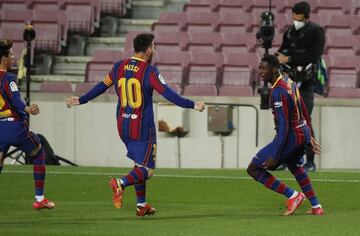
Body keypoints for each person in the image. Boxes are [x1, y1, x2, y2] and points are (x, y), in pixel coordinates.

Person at [66, 33, 205, 217]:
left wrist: (80, 100)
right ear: (148, 49)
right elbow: (169, 95)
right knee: (147, 170)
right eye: (153, 47)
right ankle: (120, 183)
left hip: (123, 125)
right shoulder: (149, 71)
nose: (154, 50)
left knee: (139, 165)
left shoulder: (118, 67)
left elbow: (101, 86)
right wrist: (193, 105)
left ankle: (141, 205)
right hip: (142, 128)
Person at [247, 55, 324, 216]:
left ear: (274, 69)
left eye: (263, 68)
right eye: (259, 68)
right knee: (295, 165)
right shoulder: (289, 81)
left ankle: (293, 196)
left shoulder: (278, 92)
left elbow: (283, 126)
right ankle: (316, 206)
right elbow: (303, 108)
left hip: (291, 136)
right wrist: (308, 133)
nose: (260, 72)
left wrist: (275, 155)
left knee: (253, 169)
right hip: (301, 132)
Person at [0, 39, 55, 210]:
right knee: (39, 151)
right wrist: (27, 108)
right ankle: (39, 199)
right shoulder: (8, 78)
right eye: (10, 54)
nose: (13, 57)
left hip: (0, 126)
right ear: (3, 58)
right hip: (15, 127)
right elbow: (16, 100)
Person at [277, 1, 325, 171]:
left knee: (305, 120)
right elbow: (282, 51)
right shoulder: (290, 31)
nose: (295, 19)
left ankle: (310, 161)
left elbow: (314, 56)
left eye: (298, 16)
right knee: (287, 120)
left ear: (306, 16)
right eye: (293, 15)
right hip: (289, 81)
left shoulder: (316, 31)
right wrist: (279, 57)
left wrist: (289, 59)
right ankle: (288, 158)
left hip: (306, 83)